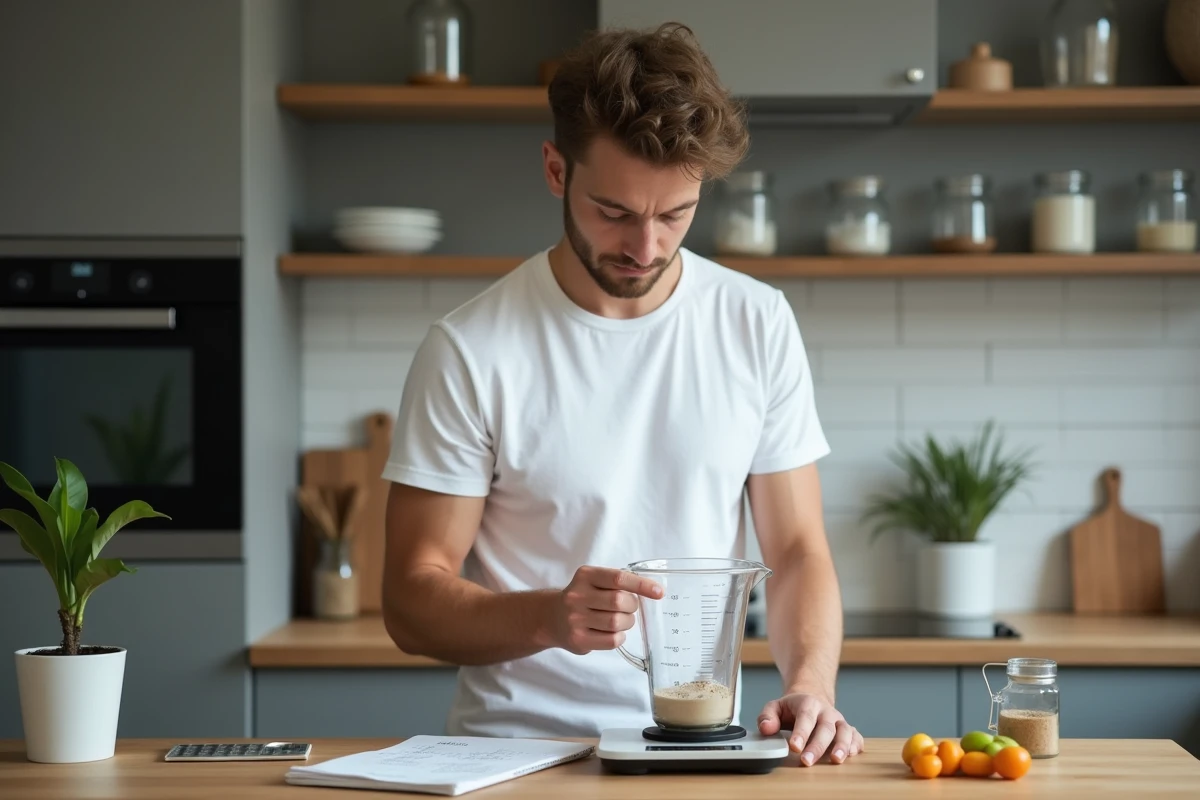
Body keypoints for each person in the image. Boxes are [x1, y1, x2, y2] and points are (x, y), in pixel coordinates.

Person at [380, 22, 863, 767]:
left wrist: (811, 684)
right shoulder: (471, 349)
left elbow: (797, 551)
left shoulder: (755, 322)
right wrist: (550, 617)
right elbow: (412, 600)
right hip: (519, 759)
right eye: (614, 213)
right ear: (554, 170)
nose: (646, 248)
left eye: (675, 215)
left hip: (700, 748)